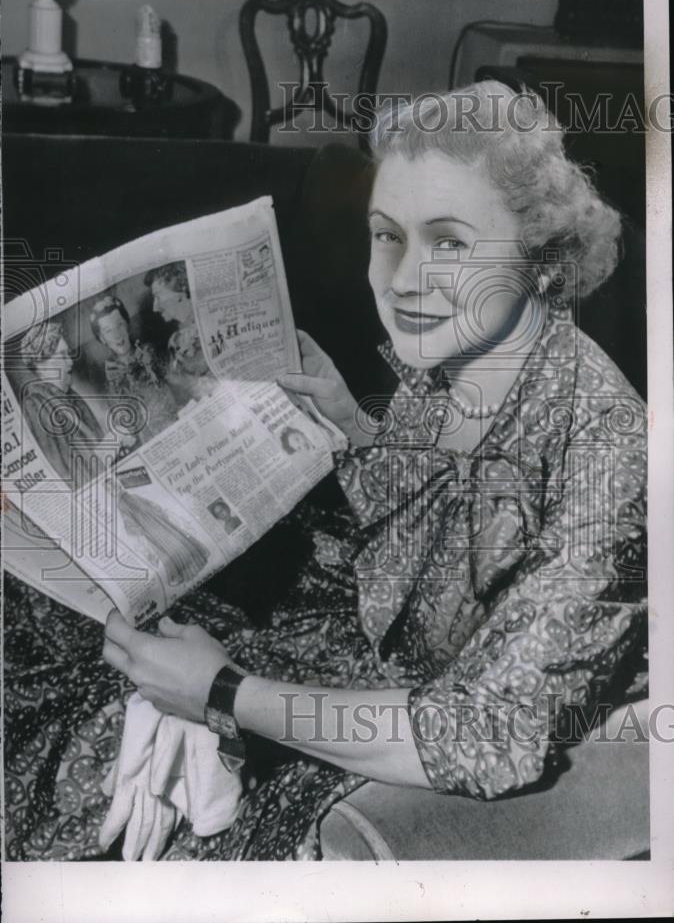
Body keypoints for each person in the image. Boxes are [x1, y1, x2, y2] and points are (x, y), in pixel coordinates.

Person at [4, 82, 647, 862]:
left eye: (450, 242)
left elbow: (490, 733)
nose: (403, 279)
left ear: (542, 259)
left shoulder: (610, 457)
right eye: (388, 236)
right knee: (40, 612)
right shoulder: (458, 353)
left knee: (96, 713)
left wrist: (225, 694)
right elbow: (431, 529)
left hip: (391, 709)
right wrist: (351, 426)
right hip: (336, 623)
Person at [17, 320, 134, 486]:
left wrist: (117, 442)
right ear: (41, 365)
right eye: (62, 356)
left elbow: (93, 454)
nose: (71, 362)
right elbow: (73, 476)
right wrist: (116, 438)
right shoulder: (36, 405)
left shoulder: (70, 397)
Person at [89, 294, 179, 446]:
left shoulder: (149, 352)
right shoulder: (110, 381)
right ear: (102, 339)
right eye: (108, 331)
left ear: (127, 324)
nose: (117, 335)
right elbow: (123, 426)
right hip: (149, 444)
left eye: (120, 325)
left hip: (174, 427)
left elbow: (177, 380)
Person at [143, 262, 215, 406]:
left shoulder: (212, 321)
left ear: (181, 292)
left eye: (158, 296)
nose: (155, 307)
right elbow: (180, 395)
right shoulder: (174, 342)